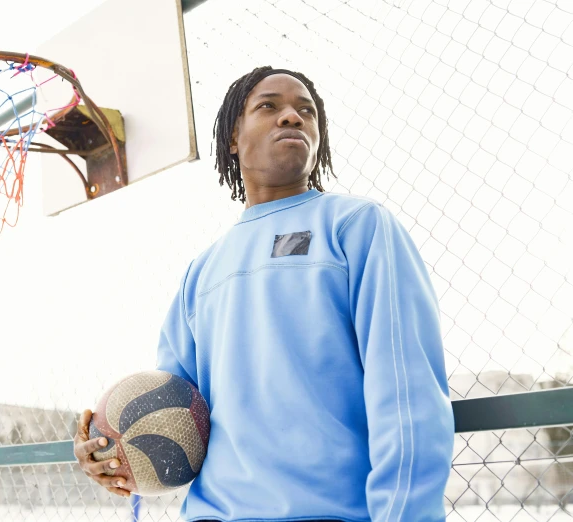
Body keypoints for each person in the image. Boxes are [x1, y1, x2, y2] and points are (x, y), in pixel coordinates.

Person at [74, 66, 455, 522]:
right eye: (269, 106)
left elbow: (407, 396)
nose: (292, 117)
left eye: (306, 111)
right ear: (232, 138)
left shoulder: (356, 228)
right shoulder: (203, 271)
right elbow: (172, 418)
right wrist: (108, 451)